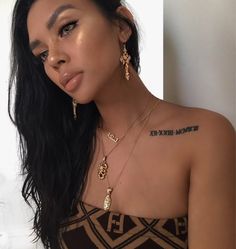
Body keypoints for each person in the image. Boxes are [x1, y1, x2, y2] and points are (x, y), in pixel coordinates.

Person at [9, 0, 235, 248]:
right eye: (42, 54)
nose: (53, 58)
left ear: (121, 25)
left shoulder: (204, 138)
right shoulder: (64, 147)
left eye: (67, 28)